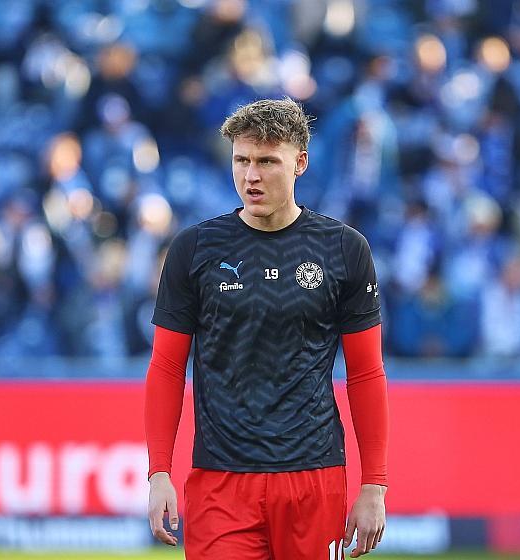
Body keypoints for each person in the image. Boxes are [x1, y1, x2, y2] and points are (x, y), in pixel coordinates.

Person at [144, 97, 389, 558]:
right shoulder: (195, 249)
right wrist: (159, 472)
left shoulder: (343, 249)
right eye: (241, 161)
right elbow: (166, 367)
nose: (251, 176)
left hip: (314, 477)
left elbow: (366, 372)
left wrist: (374, 483)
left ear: (300, 163)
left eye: (267, 161)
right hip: (221, 480)